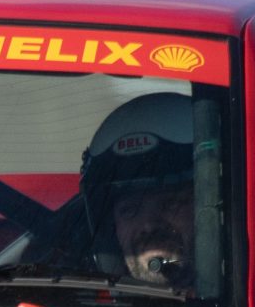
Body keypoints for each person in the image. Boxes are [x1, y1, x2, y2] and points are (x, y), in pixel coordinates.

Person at [77, 91, 203, 290]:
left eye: (170, 204)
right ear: (112, 229)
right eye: (130, 211)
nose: (149, 225)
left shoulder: (254, 305)